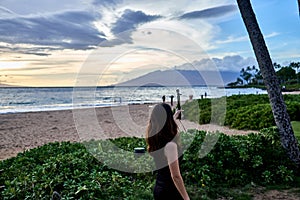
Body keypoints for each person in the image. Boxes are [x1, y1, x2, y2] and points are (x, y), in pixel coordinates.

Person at [146, 103, 190, 200]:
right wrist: (186, 198)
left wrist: (174, 116)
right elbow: (175, 176)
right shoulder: (170, 146)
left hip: (159, 188)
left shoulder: (156, 140)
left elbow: (164, 126)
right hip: (170, 191)